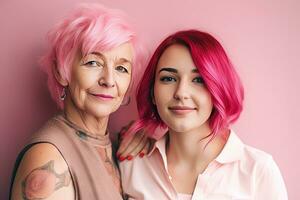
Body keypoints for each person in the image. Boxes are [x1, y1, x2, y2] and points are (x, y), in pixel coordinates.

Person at [118, 30, 288, 199]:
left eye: (199, 80)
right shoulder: (131, 165)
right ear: (152, 92)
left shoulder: (258, 172)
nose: (181, 93)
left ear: (218, 89)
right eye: (168, 78)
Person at [9, 3, 145, 200]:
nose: (108, 80)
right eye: (93, 63)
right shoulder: (48, 157)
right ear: (61, 72)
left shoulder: (119, 145)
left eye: (121, 69)